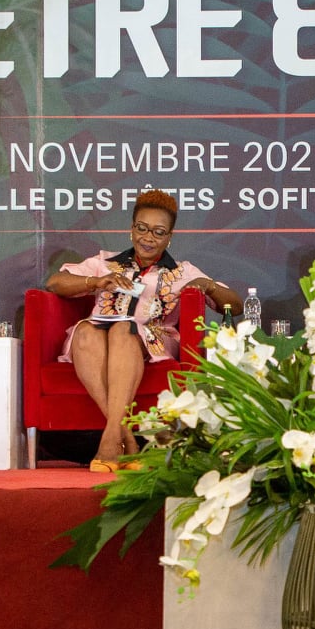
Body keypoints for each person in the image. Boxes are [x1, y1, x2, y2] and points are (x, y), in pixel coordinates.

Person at [45, 189, 242, 471]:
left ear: (169, 237)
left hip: (152, 338)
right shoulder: (104, 262)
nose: (148, 238)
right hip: (97, 336)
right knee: (86, 331)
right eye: (142, 228)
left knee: (122, 330)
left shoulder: (182, 271)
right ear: (131, 229)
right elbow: (55, 283)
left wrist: (207, 285)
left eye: (158, 232)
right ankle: (125, 437)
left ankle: (110, 440)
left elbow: (235, 306)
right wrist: (95, 282)